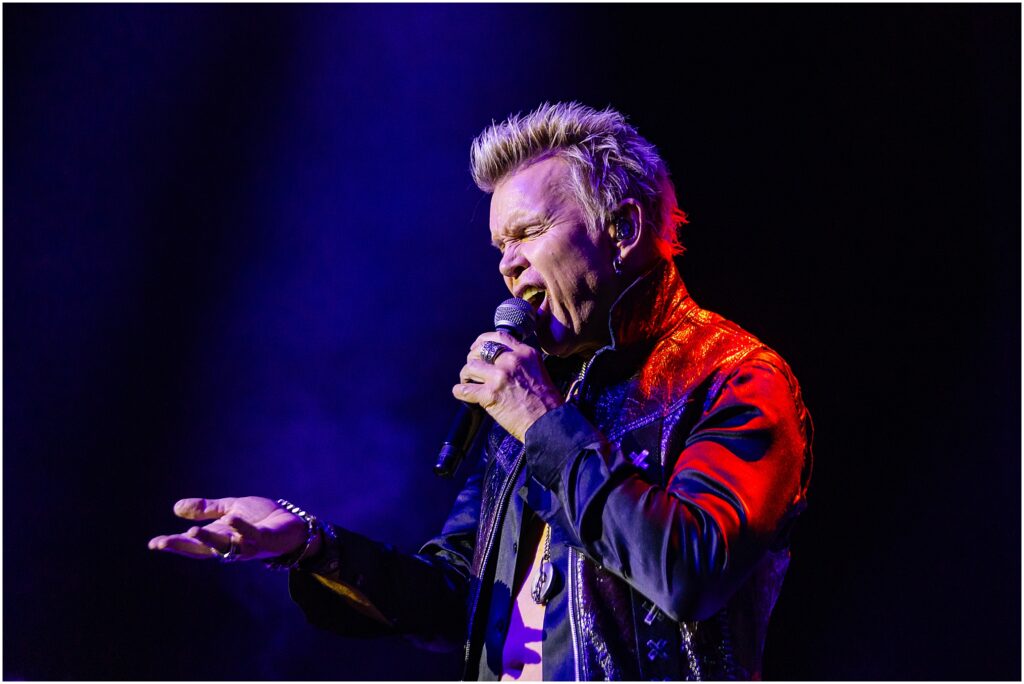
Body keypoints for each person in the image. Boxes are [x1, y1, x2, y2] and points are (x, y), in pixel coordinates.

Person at [149, 102, 813, 680]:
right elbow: (455, 598)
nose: (508, 263)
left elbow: (688, 570)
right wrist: (311, 545)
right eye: (500, 245)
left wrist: (544, 425)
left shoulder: (736, 379)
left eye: (528, 232)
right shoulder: (535, 402)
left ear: (624, 229)